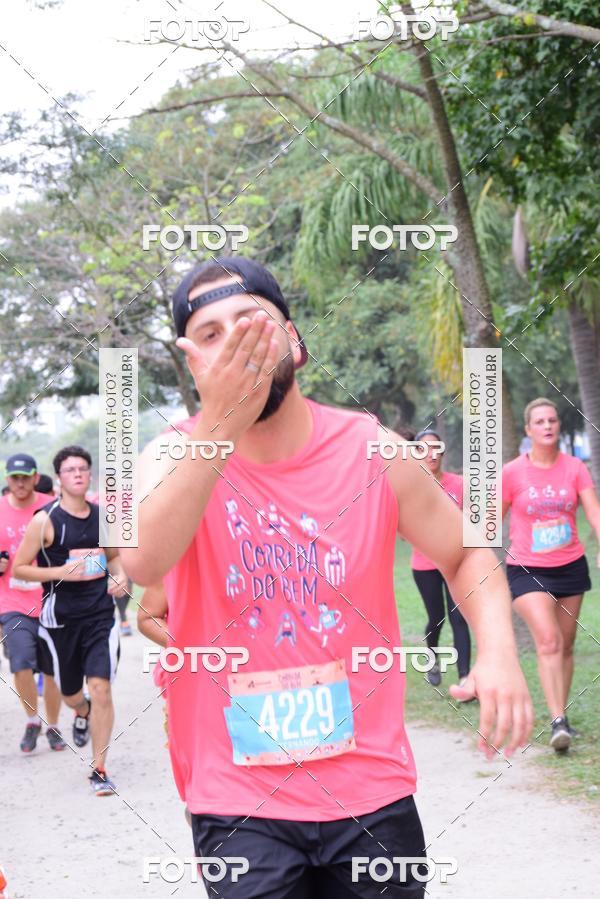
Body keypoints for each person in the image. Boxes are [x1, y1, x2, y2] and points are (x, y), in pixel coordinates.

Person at [121, 256, 533, 898]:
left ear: (295, 341)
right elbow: (141, 560)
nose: (236, 345)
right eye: (210, 337)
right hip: (238, 798)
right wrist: (222, 420)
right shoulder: (173, 454)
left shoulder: (374, 449)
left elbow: (466, 552)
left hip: (370, 792)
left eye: (251, 324)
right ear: (193, 367)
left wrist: (501, 654)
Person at [12, 445, 129, 794]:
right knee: (70, 694)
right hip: (60, 622)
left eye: (83, 469)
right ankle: (81, 712)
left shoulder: (102, 517)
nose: (78, 474)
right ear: (59, 478)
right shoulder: (44, 521)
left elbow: (115, 558)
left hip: (99, 619)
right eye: (70, 470)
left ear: (89, 475)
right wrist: (61, 570)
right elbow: (20, 568)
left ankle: (99, 769)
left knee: (102, 689)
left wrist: (119, 575)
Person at [503, 398, 600, 752]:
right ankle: (557, 720)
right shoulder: (513, 472)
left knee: (566, 644)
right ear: (528, 430)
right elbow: (488, 521)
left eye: (552, 420)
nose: (547, 426)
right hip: (527, 569)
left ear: (558, 426)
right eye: (540, 421)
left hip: (571, 566)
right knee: (548, 641)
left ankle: (564, 715)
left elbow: (593, 511)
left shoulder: (575, 467)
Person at [0, 453, 64, 752]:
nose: (21, 482)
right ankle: (31, 720)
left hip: (50, 599)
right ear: (7, 479)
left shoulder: (50, 508)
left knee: (52, 670)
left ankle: (53, 725)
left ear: (36, 478)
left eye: (26, 477)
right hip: (11, 601)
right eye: (15, 477)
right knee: (22, 662)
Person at [409, 430, 472, 692]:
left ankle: (465, 677)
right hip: (425, 566)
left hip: (455, 562)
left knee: (459, 617)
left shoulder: (459, 484)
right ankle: (432, 660)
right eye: (423, 449)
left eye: (435, 448)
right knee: (436, 618)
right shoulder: (411, 489)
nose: (431, 454)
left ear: (443, 452)